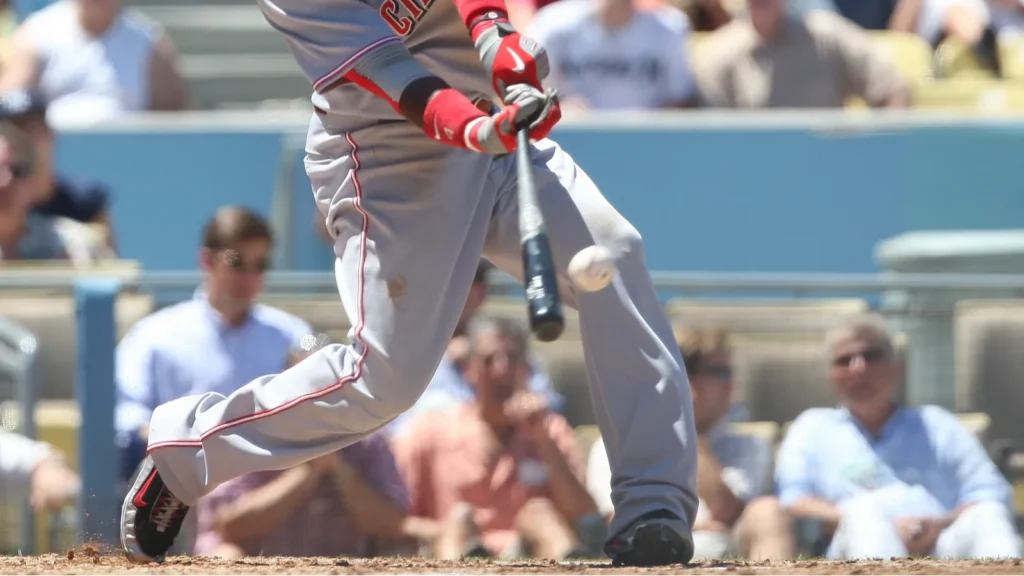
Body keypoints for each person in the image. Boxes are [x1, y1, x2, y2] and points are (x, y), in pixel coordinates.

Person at [118, 0, 699, 567]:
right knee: (382, 383)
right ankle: (187, 450)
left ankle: (653, 509)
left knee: (612, 254)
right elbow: (394, 76)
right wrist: (475, 128)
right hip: (389, 156)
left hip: (484, 122)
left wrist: (497, 38)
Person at [775, 314, 1020, 559]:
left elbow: (990, 491)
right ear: (832, 375)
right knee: (865, 511)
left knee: (988, 516)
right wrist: (880, 523)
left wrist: (937, 524)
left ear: (896, 367)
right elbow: (793, 502)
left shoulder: (937, 424)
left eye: (871, 356)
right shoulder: (812, 427)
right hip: (852, 545)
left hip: (941, 542)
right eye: (844, 360)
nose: (858, 368)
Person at [114, 206, 313, 478]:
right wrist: (186, 449)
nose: (250, 277)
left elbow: (321, 381)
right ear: (207, 260)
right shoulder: (154, 335)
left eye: (261, 265)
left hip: (273, 496)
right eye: (236, 262)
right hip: (185, 490)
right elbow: (127, 417)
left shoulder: (290, 332)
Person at [390, 316, 602, 560]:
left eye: (511, 359)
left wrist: (543, 439)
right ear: (469, 370)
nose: (501, 370)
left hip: (531, 557)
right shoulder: (429, 431)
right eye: (488, 360)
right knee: (459, 519)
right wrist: (446, 530)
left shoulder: (551, 429)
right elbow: (394, 519)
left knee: (540, 514)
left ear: (525, 369)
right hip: (453, 552)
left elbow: (584, 512)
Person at [587, 327, 792, 560]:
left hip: (730, 559)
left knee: (768, 511)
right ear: (683, 377)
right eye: (720, 372)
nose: (731, 385)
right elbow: (624, 524)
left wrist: (685, 424)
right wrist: (674, 413)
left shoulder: (750, 446)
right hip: (650, 563)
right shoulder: (613, 445)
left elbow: (725, 511)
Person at [0, 0, 187, 128]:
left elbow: (176, 121)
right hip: (53, 168)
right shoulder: (35, 35)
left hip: (131, 161)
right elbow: (10, 106)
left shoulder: (151, 44)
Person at [693, 0, 911, 108]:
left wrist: (878, 155)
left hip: (828, 181)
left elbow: (893, 89)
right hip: (752, 185)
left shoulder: (828, 36)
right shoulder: (717, 57)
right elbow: (712, 143)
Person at [0, 89, 116, 249]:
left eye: (31, 128)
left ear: (50, 134)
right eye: (13, 129)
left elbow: (107, 265)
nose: (23, 138)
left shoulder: (83, 200)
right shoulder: (4, 191)